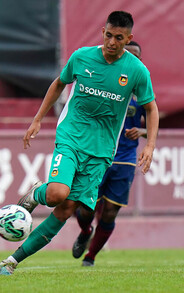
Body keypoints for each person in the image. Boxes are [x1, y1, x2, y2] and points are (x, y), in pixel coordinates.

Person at [0, 11, 159, 275]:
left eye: (119, 38)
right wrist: (38, 119)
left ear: (128, 38)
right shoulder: (81, 57)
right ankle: (37, 192)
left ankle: (11, 262)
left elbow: (151, 108)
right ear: (102, 32)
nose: (112, 42)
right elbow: (59, 84)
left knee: (69, 207)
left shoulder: (137, 71)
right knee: (58, 194)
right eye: (108, 35)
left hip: (102, 150)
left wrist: (149, 145)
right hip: (71, 137)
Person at [72, 40, 147, 266]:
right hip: (99, 152)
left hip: (125, 158)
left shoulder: (142, 87)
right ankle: (85, 231)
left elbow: (154, 115)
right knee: (85, 207)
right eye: (129, 54)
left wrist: (143, 131)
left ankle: (90, 257)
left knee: (111, 211)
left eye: (136, 56)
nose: (131, 59)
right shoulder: (109, 80)